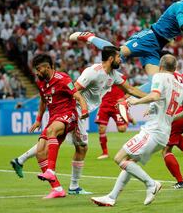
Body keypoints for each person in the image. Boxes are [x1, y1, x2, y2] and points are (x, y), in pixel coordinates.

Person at [10, 46, 147, 195]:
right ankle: (72, 186)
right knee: (76, 146)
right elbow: (74, 90)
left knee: (56, 141)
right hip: (74, 110)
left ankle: (22, 160)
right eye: (119, 57)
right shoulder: (92, 72)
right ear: (111, 58)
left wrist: (151, 97)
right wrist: (72, 110)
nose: (121, 59)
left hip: (80, 111)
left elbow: (131, 89)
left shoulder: (114, 75)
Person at [69, 0, 183, 92]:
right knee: (116, 53)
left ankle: (127, 99)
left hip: (156, 48)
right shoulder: (180, 7)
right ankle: (90, 37)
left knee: (156, 83)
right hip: (149, 38)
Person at [91, 54, 183, 207]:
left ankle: (151, 184)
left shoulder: (159, 76)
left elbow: (154, 95)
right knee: (130, 162)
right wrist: (170, 118)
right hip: (163, 133)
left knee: (119, 158)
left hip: (152, 132)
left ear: (160, 67)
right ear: (175, 68)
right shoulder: (180, 85)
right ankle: (111, 197)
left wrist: (136, 101)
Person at [26, 54, 89, 199]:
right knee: (40, 152)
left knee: (51, 130)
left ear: (47, 67)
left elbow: (78, 96)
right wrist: (38, 119)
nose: (37, 72)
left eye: (38, 69)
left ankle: (51, 171)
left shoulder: (63, 79)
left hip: (69, 115)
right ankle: (57, 189)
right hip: (53, 118)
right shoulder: (41, 82)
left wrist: (84, 110)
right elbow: (43, 100)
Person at [95, 75, 136, 159]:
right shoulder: (100, 75)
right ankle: (105, 153)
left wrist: (124, 98)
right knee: (101, 128)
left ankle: (127, 116)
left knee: (122, 129)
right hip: (104, 105)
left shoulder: (121, 77)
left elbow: (130, 90)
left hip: (117, 106)